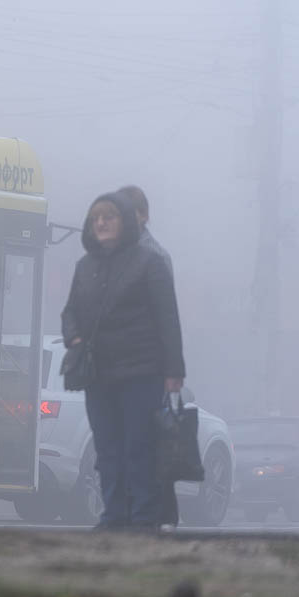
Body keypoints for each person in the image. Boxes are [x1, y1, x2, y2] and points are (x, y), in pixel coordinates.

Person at [61, 191, 185, 530]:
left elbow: (167, 318)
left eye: (109, 217)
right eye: (95, 217)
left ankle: (144, 519)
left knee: (139, 447)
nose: (100, 223)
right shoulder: (84, 267)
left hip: (140, 373)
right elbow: (69, 311)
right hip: (98, 375)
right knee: (107, 450)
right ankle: (113, 516)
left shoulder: (149, 262)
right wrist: (74, 338)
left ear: (126, 222)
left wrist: (174, 371)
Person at [118, 184, 179, 528]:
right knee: (126, 445)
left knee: (147, 443)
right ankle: (135, 517)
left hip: (144, 367)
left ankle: (160, 519)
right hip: (121, 366)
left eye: (129, 212)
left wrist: (171, 369)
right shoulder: (114, 252)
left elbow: (164, 316)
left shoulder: (153, 255)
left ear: (142, 215)